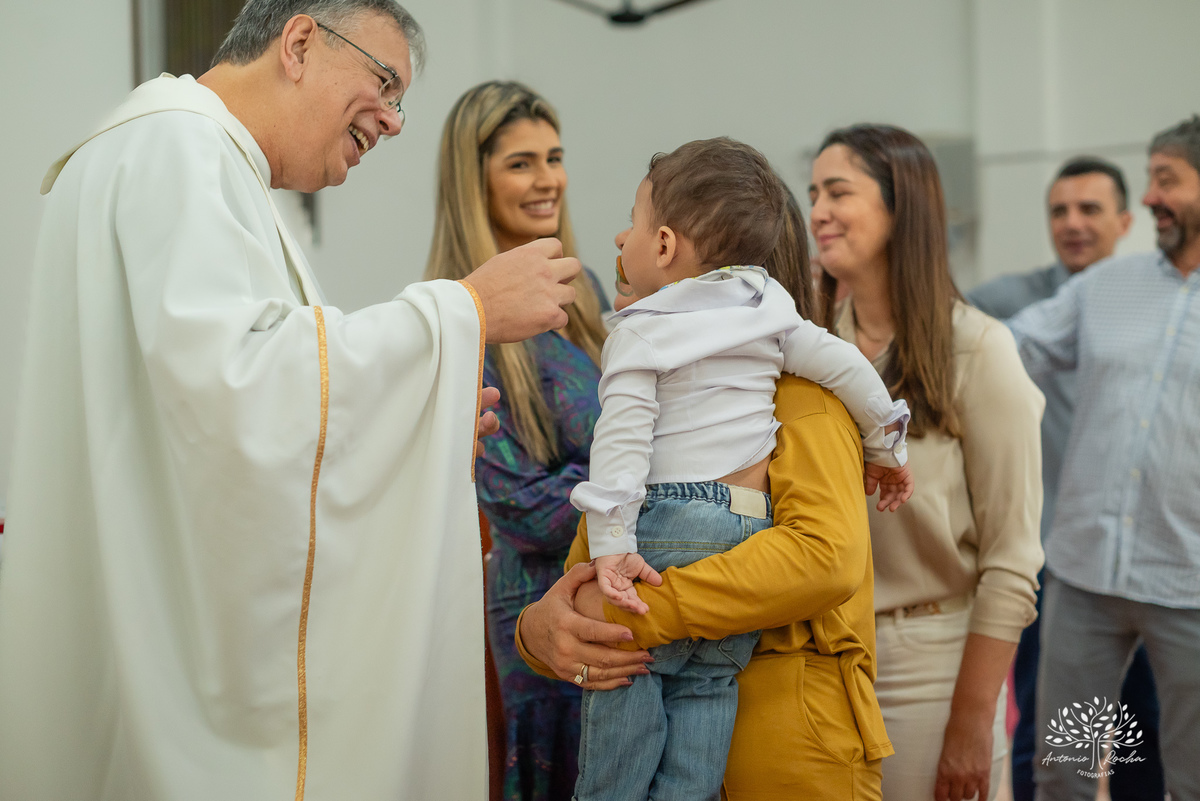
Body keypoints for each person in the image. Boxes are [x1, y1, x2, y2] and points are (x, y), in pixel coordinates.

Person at [0, 3, 583, 800]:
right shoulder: (179, 148)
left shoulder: (189, 156)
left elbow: (216, 418)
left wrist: (415, 408)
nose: (395, 120)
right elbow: (241, 389)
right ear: (301, 42)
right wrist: (464, 311)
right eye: (384, 82)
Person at [517, 185, 898, 800]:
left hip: (786, 755)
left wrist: (636, 616)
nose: (618, 241)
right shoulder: (652, 404)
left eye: (636, 226)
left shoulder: (807, 398)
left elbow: (824, 560)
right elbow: (588, 576)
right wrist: (538, 631)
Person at [809, 123, 1044, 801]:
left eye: (838, 191)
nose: (818, 210)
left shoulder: (978, 349)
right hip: (825, 656)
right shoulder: (818, 349)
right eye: (814, 192)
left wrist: (972, 721)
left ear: (899, 207)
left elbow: (1013, 561)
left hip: (929, 668)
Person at [423, 80, 608, 801]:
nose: (547, 179)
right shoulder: (450, 316)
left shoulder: (583, 287)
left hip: (617, 594)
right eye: (521, 163)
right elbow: (519, 506)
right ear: (475, 179)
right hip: (536, 618)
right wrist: (642, 488)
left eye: (554, 157)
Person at [1010, 115, 1200, 801]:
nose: (1150, 197)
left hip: (1190, 585)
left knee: (1189, 777)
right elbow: (1005, 350)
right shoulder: (1106, 287)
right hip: (1084, 579)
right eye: (1151, 178)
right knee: (1062, 767)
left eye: (1166, 179)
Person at [967, 158, 1164, 801]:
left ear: (1126, 222)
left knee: (1139, 730)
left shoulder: (1166, 305)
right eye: (1060, 211)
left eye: (1090, 210)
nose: (1073, 224)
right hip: (1055, 560)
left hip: (1152, 561)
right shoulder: (1006, 304)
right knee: (1057, 735)